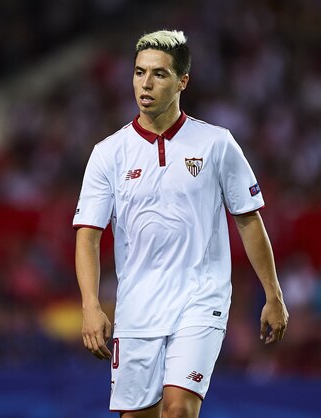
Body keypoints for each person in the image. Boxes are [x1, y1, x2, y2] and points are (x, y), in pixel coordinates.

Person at [73, 30, 288, 418]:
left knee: (178, 411)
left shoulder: (216, 143)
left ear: (182, 81)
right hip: (137, 307)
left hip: (201, 300)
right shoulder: (108, 154)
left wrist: (273, 294)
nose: (146, 84)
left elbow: (248, 221)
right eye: (139, 73)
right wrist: (90, 305)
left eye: (158, 74)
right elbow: (88, 235)